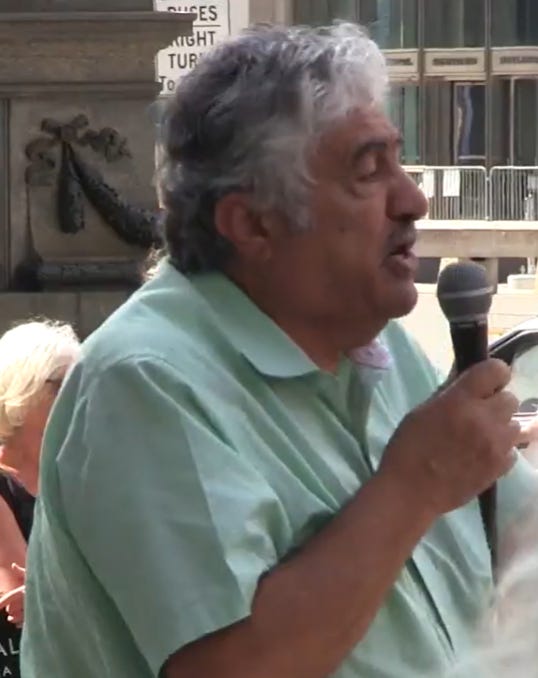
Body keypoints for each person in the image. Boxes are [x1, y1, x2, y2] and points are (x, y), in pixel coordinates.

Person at [21, 23, 538, 678]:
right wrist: (414, 486)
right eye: (368, 170)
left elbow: (524, 534)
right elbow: (235, 668)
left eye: (398, 161)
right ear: (253, 223)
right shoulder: (144, 381)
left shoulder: (378, 344)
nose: (413, 199)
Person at [0, 320, 79, 677]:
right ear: (24, 387)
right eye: (63, 386)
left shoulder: (76, 478)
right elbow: (18, 598)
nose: (78, 397)